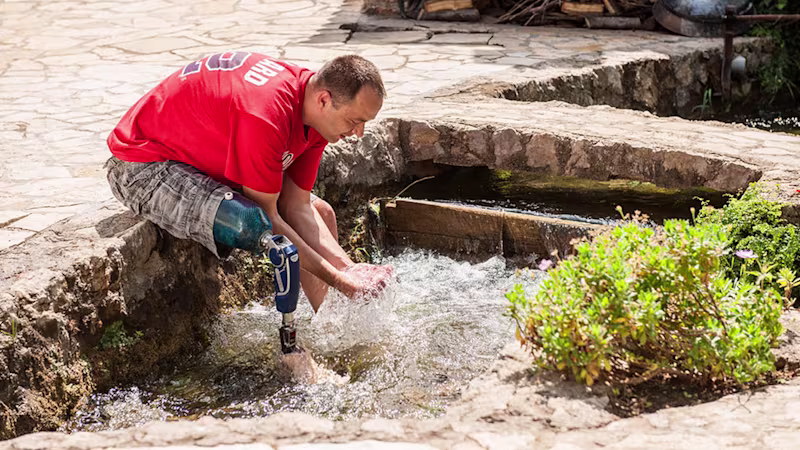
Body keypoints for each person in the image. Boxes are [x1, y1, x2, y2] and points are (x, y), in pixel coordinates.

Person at [105, 51, 394, 312]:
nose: (359, 133)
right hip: (142, 166)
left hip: (192, 157)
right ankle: (291, 346)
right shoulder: (266, 115)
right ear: (324, 100)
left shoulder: (316, 109)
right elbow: (270, 220)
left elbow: (298, 205)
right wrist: (344, 283)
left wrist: (351, 269)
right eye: (355, 121)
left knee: (323, 213)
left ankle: (328, 330)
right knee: (251, 222)